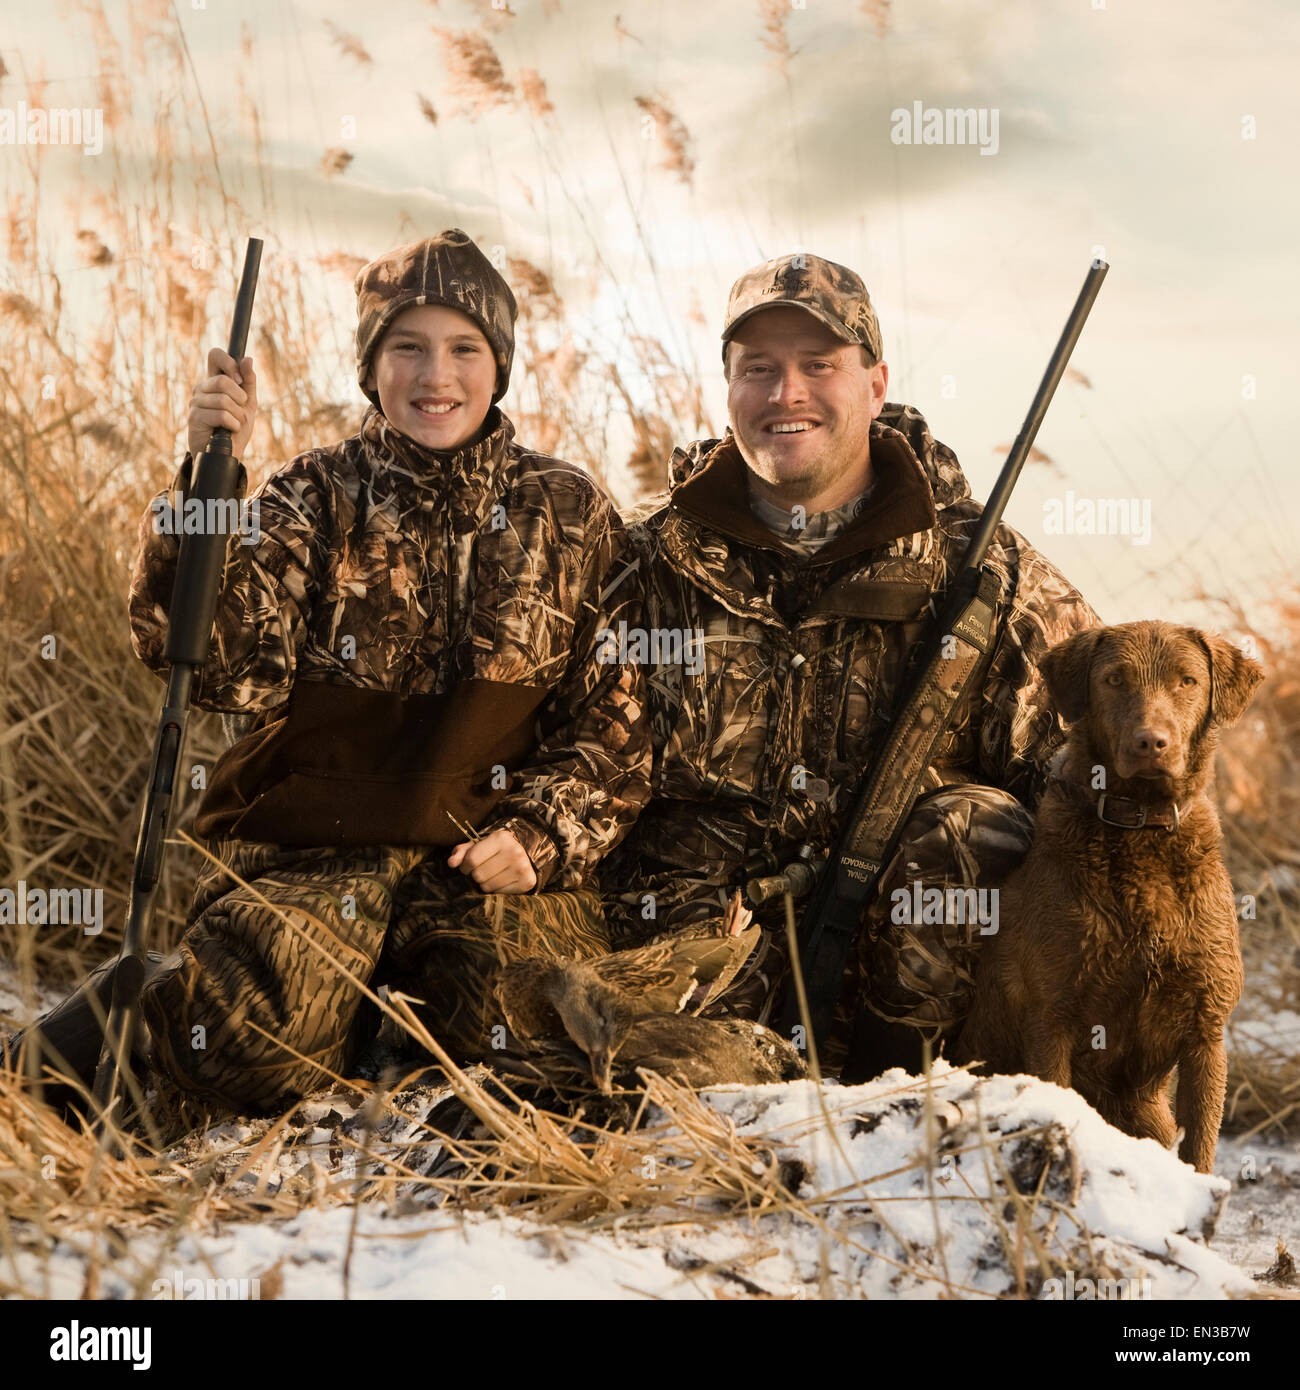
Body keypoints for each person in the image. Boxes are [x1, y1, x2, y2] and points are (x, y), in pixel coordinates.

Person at [9, 229, 651, 1118]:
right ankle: (94, 1032)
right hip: (320, 860)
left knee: (528, 1039)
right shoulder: (309, 497)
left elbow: (618, 721)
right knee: (241, 1049)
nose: (438, 376)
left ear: (499, 367)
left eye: (465, 348)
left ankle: (367, 1026)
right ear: (370, 366)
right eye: (408, 348)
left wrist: (541, 834)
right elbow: (215, 669)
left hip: (479, 860)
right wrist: (205, 482)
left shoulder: (570, 511)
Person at [598, 250, 1101, 1079]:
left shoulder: (980, 567)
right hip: (692, 951)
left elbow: (1088, 776)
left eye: (818, 365)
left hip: (909, 981)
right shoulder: (644, 557)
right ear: (728, 391)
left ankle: (906, 1109)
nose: (785, 393)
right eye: (758, 369)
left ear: (875, 385)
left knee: (979, 826)